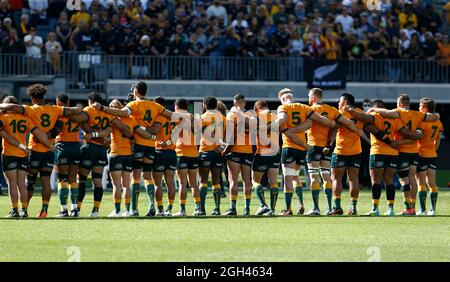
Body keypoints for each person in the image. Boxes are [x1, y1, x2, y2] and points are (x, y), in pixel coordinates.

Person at [92, 82, 178, 217]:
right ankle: (152, 205)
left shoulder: (133, 106)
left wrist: (102, 108)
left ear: (136, 91)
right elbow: (173, 115)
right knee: (148, 177)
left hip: (137, 145)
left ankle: (134, 209)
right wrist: (192, 118)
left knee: (136, 178)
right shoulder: (155, 105)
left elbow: (122, 113)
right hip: (150, 145)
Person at [0, 84, 80, 218]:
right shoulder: (55, 109)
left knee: (28, 183)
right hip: (49, 151)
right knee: (46, 182)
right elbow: (73, 111)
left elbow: (12, 107)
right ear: (44, 96)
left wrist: (2, 106)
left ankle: (23, 210)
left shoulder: (29, 110)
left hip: (34, 150)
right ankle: (44, 210)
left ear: (32, 98)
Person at [345, 100, 421, 216]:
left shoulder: (375, 115)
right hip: (393, 153)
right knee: (389, 181)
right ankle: (390, 209)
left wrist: (351, 110)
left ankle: (375, 209)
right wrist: (418, 135)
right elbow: (407, 133)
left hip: (378, 152)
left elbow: (365, 119)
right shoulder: (395, 119)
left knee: (376, 181)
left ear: (375, 108)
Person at [368, 94, 440, 215]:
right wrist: (437, 115)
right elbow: (434, 117)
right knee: (413, 178)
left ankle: (408, 207)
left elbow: (387, 113)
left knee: (404, 180)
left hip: (402, 151)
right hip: (415, 151)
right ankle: (412, 206)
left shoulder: (398, 112)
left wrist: (373, 109)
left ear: (400, 104)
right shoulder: (418, 114)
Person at [306, 88, 367, 215]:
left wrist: (329, 144)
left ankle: (337, 206)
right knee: (353, 179)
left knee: (335, 179)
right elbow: (367, 121)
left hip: (340, 151)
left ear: (344, 101)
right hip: (356, 151)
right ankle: (353, 206)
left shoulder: (340, 113)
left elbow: (334, 129)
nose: (338, 104)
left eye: (339, 101)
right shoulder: (360, 113)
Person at [69, 92, 131, 217]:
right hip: (101, 151)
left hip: (89, 148)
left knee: (81, 180)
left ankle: (77, 210)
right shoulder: (108, 114)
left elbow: (78, 119)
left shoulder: (89, 109)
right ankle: (95, 211)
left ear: (91, 102)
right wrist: (105, 133)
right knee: (97, 181)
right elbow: (124, 129)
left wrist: (91, 133)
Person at [276, 88, 336, 216]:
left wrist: (268, 127)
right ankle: (318, 207)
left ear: (282, 99)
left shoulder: (283, 108)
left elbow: (282, 123)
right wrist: (331, 124)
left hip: (293, 146)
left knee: (288, 177)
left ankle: (289, 209)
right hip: (304, 149)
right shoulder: (304, 107)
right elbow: (311, 124)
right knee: (299, 177)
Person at [0, 96, 51, 218]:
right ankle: (24, 210)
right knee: (21, 184)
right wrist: (49, 145)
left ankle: (15, 210)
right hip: (23, 155)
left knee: (12, 183)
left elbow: (6, 137)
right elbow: (37, 132)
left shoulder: (3, 117)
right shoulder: (26, 118)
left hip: (9, 153)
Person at [106, 99, 156, 217]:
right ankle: (128, 210)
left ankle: (117, 211)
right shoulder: (132, 120)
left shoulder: (112, 120)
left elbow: (107, 135)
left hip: (116, 153)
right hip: (128, 155)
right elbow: (142, 133)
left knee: (116, 185)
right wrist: (154, 137)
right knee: (126, 185)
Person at [223, 94, 254, 216]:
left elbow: (231, 136)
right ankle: (247, 208)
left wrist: (225, 150)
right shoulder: (251, 115)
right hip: (248, 150)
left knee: (233, 181)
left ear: (234, 103)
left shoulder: (232, 115)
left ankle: (233, 208)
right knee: (247, 181)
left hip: (235, 150)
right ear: (244, 103)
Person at [54, 94, 81, 217]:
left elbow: (56, 130)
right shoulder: (77, 115)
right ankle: (74, 210)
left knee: (62, 179)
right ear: (68, 102)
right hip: (76, 146)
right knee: (73, 180)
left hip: (62, 146)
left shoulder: (59, 115)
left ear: (58, 102)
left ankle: (64, 210)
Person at [198, 96, 226, 215]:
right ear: (216, 105)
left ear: (204, 105)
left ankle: (201, 209)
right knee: (216, 180)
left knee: (203, 180)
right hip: (218, 152)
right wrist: (221, 147)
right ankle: (217, 209)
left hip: (205, 150)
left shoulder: (202, 117)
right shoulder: (224, 118)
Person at [174, 98, 201, 216]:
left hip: (181, 152)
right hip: (194, 153)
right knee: (194, 183)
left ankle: (182, 209)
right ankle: (198, 208)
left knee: (182, 184)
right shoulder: (194, 117)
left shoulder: (176, 116)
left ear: (176, 106)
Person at [252, 100, 280, 216]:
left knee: (255, 181)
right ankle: (272, 209)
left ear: (257, 108)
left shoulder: (257, 117)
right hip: (274, 152)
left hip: (262, 151)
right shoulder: (276, 116)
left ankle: (264, 206)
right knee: (273, 181)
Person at [416, 98, 443, 216]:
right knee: (432, 183)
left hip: (421, 154)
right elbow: (438, 140)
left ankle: (422, 210)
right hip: (432, 154)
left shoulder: (422, 122)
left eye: (420, 106)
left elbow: (418, 137)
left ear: (425, 108)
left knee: (421, 183)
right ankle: (433, 210)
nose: (418, 108)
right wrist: (433, 150)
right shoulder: (438, 122)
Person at [152, 97, 178, 216]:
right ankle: (170, 208)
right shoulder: (173, 117)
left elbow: (154, 132)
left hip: (160, 152)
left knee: (158, 184)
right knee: (170, 182)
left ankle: (160, 209)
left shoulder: (158, 117)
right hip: (172, 152)